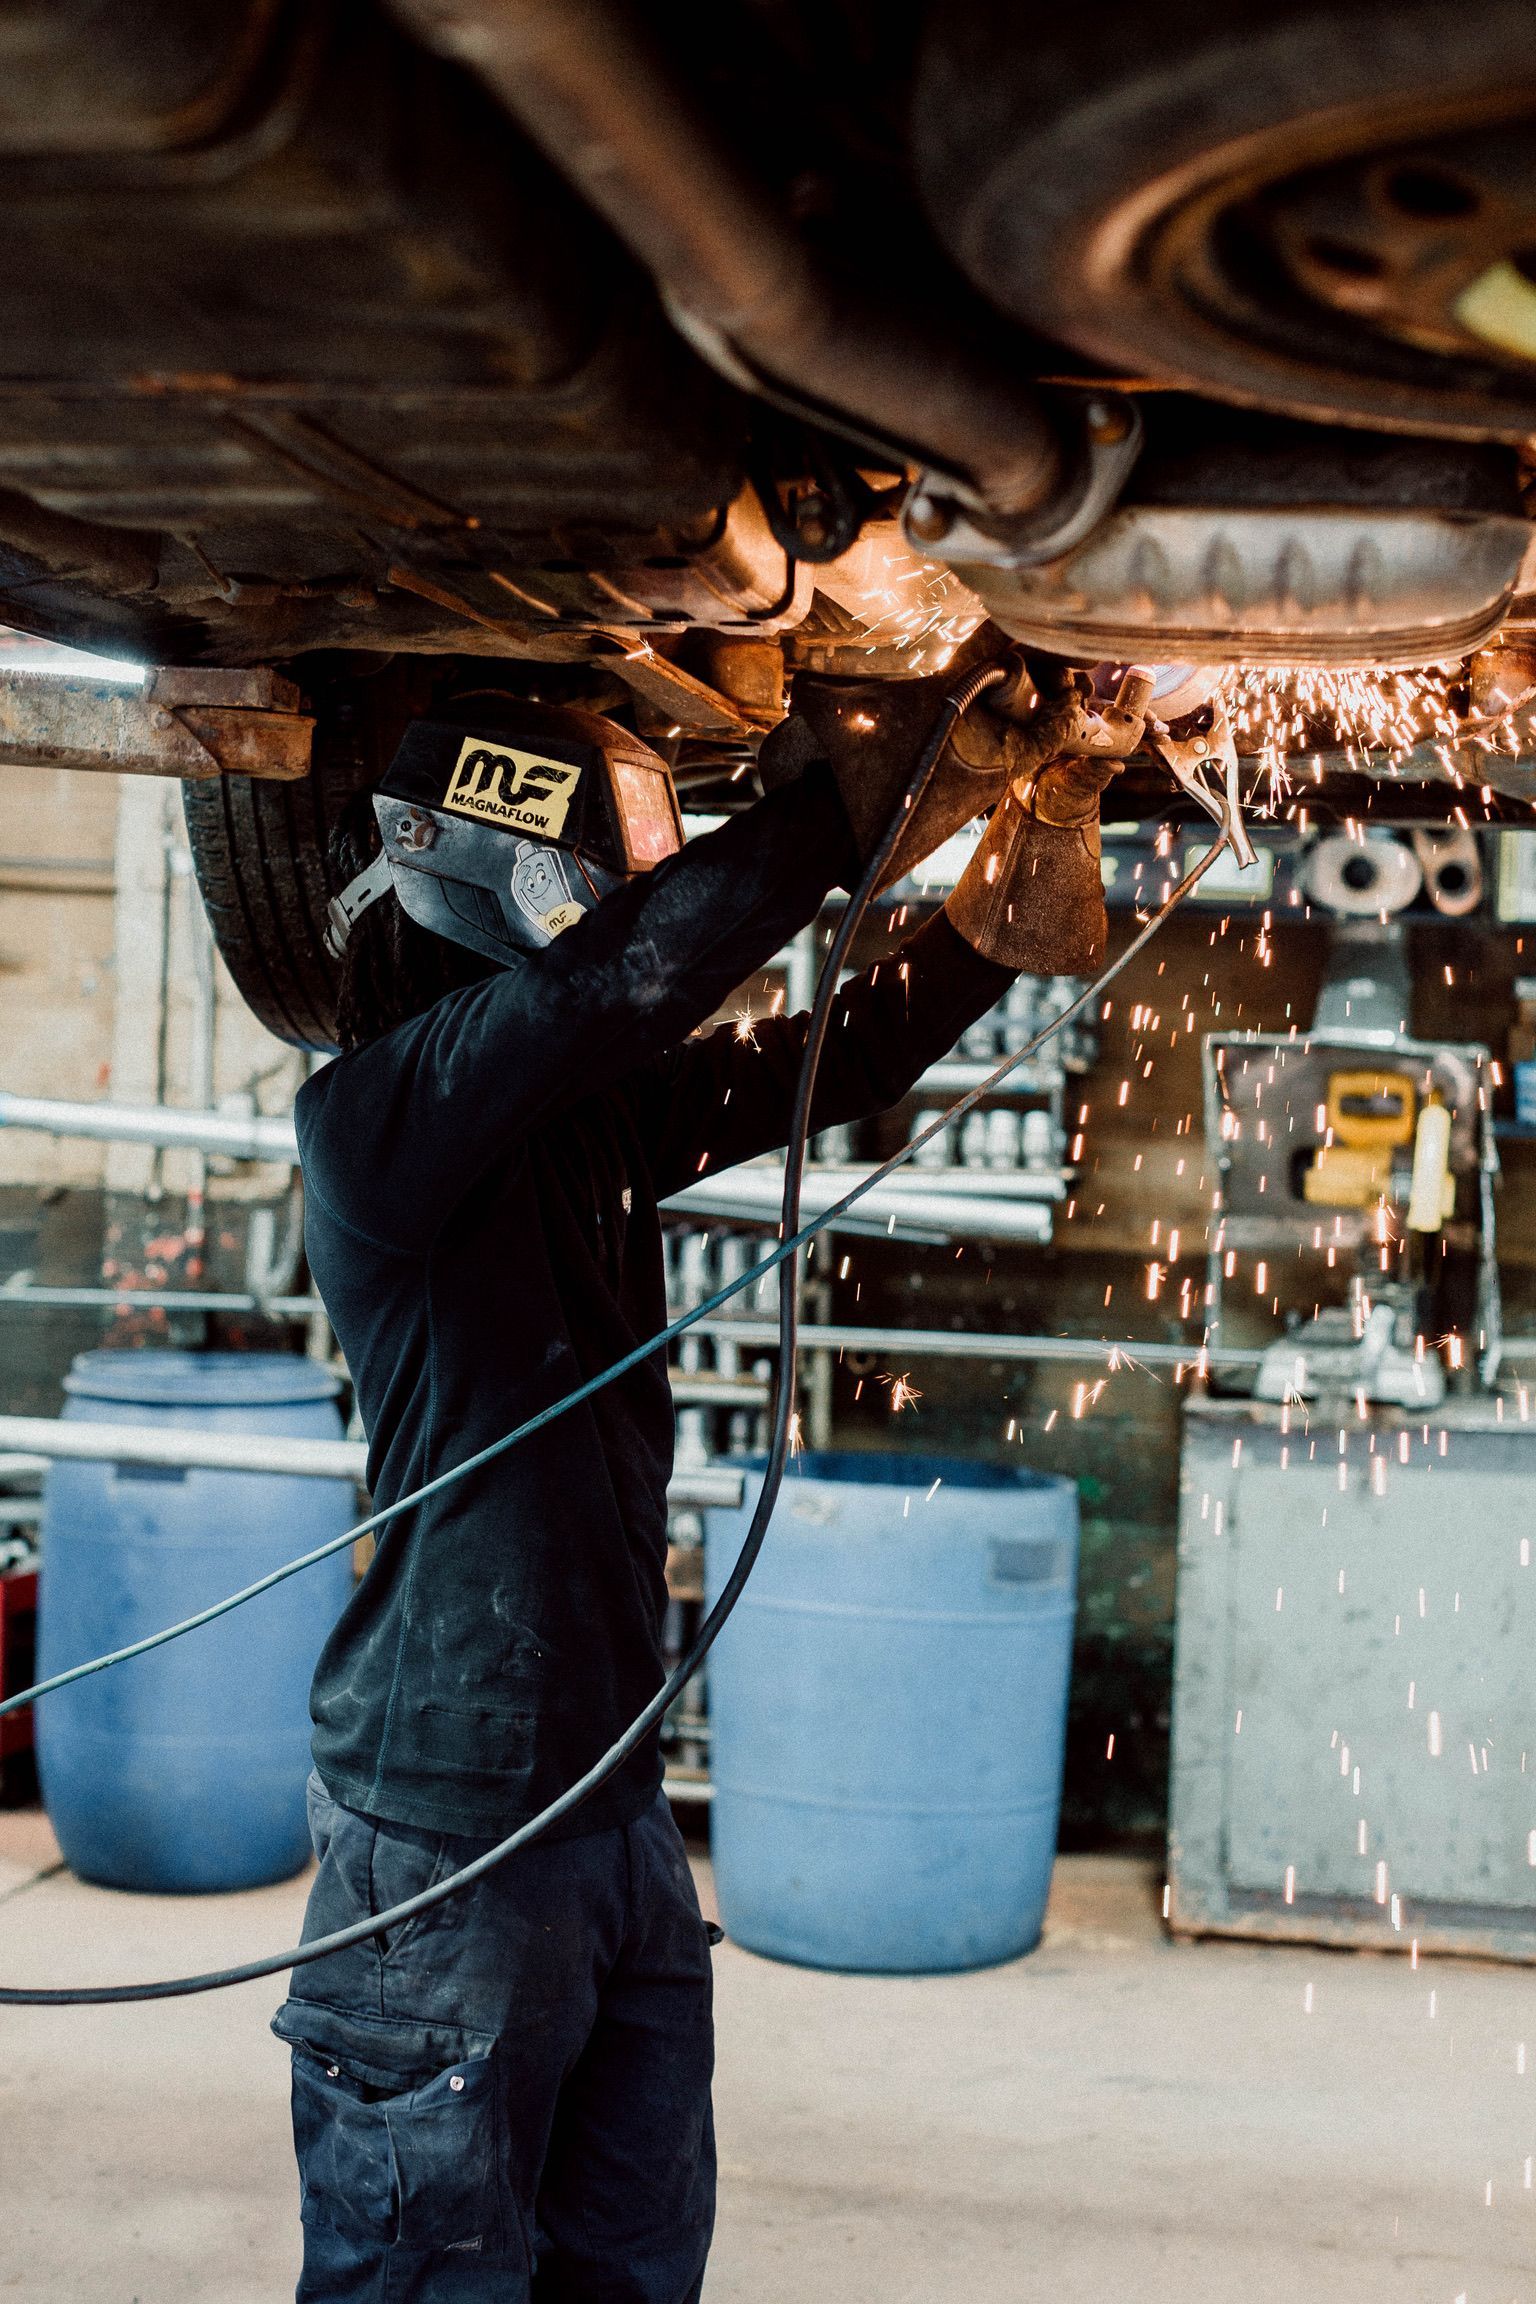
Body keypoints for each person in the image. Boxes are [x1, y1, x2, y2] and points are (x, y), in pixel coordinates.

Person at [273, 659, 1147, 2301]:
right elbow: (616, 986)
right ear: (514, 875)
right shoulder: (372, 1125)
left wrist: (1013, 846)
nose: (642, 916)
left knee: (630, 2269)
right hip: (448, 1843)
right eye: (623, 889)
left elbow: (849, 1055)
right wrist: (852, 792)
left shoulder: (589, 1122)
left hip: (610, 1821)